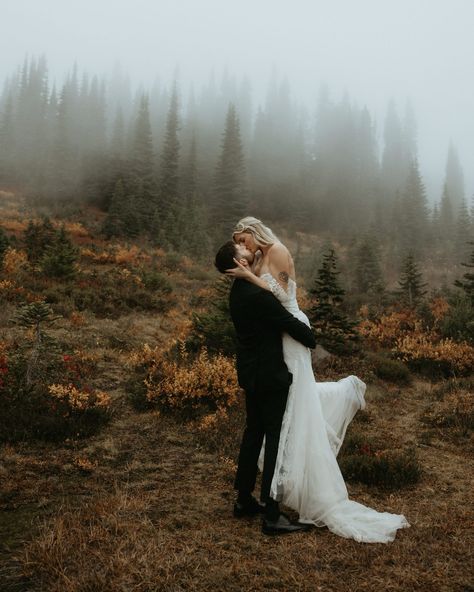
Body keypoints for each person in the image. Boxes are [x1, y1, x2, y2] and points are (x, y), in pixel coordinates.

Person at [227, 216, 409, 543]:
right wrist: (248, 273)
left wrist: (250, 278)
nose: (243, 246)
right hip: (276, 336)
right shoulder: (255, 261)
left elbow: (281, 294)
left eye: (245, 240)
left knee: (289, 407)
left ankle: (273, 499)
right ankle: (268, 501)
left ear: (255, 234)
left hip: (291, 326)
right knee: (280, 413)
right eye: (239, 243)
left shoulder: (278, 251)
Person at [215, 240, 316, 536]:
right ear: (240, 263)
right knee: (275, 438)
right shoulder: (257, 296)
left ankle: (244, 499)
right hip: (270, 375)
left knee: (253, 432)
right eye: (240, 249)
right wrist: (310, 336)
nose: (244, 247)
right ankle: (271, 513)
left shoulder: (238, 292)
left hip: (250, 373)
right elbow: (285, 321)